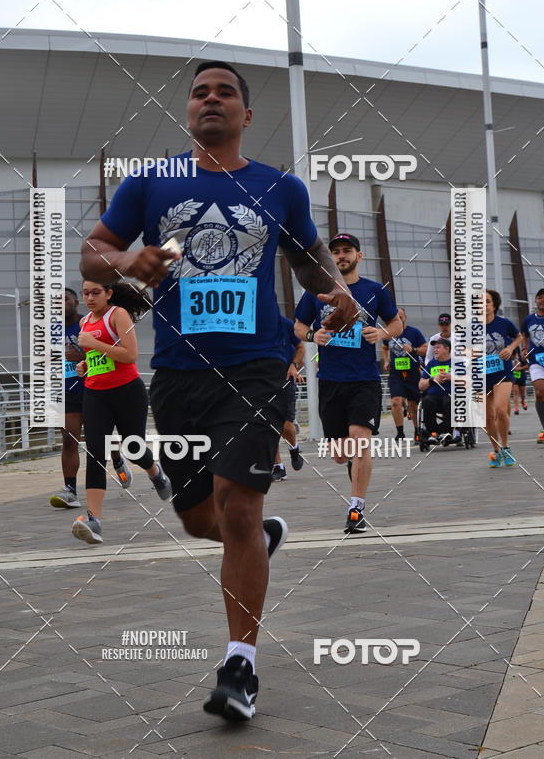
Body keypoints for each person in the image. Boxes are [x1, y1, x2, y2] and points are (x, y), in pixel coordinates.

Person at [80, 60, 357, 721]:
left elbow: (307, 257)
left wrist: (337, 291)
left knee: (239, 509)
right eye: (200, 91)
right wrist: (124, 261)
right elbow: (93, 249)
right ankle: (259, 540)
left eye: (225, 91)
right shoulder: (150, 183)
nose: (211, 99)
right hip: (179, 374)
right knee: (201, 517)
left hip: (257, 366)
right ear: (187, 110)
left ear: (246, 114)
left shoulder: (280, 187)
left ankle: (241, 667)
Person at [294, 232, 402, 535]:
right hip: (329, 380)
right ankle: (353, 473)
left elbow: (396, 322)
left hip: (363, 379)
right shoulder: (316, 292)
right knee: (341, 453)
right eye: (336, 252)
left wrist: (381, 334)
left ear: (359, 256)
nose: (341, 256)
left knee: (359, 439)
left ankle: (356, 508)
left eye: (347, 251)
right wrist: (312, 336)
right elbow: (298, 326)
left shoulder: (374, 290)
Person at [71, 281, 172, 545]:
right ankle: (94, 520)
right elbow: (96, 358)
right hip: (95, 394)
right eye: (86, 293)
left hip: (127, 391)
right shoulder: (84, 324)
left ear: (108, 293)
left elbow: (129, 355)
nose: (90, 298)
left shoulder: (117, 315)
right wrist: (83, 365)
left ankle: (155, 472)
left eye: (96, 292)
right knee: (95, 453)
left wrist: (93, 342)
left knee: (133, 448)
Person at [50, 288, 85, 509]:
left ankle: (118, 460)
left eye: (64, 298)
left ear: (75, 301)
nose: (60, 303)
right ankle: (70, 491)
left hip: (93, 387)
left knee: (101, 439)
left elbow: (109, 352)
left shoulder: (87, 323)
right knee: (69, 441)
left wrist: (82, 355)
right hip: (67, 391)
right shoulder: (50, 331)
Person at [484, 290, 520, 467]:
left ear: (494, 305)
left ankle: (506, 448)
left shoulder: (504, 323)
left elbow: (519, 336)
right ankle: (496, 451)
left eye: (487, 302)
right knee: (487, 417)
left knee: (499, 409)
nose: (483, 305)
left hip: (502, 372)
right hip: (480, 375)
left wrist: (511, 348)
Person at [520, 288, 544, 445]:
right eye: (540, 298)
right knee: (540, 391)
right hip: (537, 363)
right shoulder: (528, 319)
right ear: (535, 301)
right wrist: (524, 348)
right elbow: (524, 335)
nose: (543, 300)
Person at [382, 308, 426, 442]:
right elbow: (384, 347)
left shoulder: (414, 332)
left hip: (413, 371)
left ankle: (418, 431)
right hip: (396, 372)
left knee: (413, 404)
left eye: (400, 317)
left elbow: (425, 349)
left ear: (405, 317)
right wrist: (386, 360)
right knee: (395, 402)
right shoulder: (388, 333)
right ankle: (400, 432)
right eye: (396, 318)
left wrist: (413, 349)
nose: (398, 320)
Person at [271, 315, 305, 482]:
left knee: (285, 426)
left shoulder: (285, 324)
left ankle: (294, 447)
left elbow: (300, 348)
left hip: (285, 379)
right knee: (268, 426)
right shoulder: (249, 324)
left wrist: (294, 365)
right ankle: (278, 466)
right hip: (262, 382)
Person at [418, 339, 453, 445]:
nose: (435, 350)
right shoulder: (431, 364)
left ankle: (445, 431)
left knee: (451, 402)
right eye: (434, 348)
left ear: (447, 349)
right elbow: (420, 385)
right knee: (427, 401)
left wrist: (451, 377)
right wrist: (432, 380)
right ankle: (433, 432)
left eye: (438, 347)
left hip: (450, 395)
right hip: (433, 396)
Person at [511, 349, 528, 415]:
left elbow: (527, 366)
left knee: (522, 394)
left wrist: (519, 368)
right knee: (515, 392)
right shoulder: (508, 358)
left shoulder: (522, 358)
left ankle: (523, 402)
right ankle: (516, 408)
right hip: (514, 378)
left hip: (522, 378)